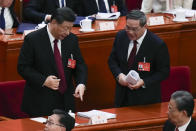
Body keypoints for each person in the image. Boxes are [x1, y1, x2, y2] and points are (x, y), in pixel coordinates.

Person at [18, 7, 88, 117]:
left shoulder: (71, 39)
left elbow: (79, 64)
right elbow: (23, 67)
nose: (68, 33)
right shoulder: (32, 39)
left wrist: (81, 83)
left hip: (66, 102)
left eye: (70, 28)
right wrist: (44, 80)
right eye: (65, 28)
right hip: (40, 103)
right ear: (54, 22)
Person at [108, 10, 170, 107]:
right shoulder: (121, 36)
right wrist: (119, 76)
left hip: (146, 100)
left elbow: (164, 72)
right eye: (128, 28)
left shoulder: (157, 44)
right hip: (122, 98)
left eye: (135, 29)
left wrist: (143, 82)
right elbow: (112, 61)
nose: (130, 32)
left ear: (145, 26)